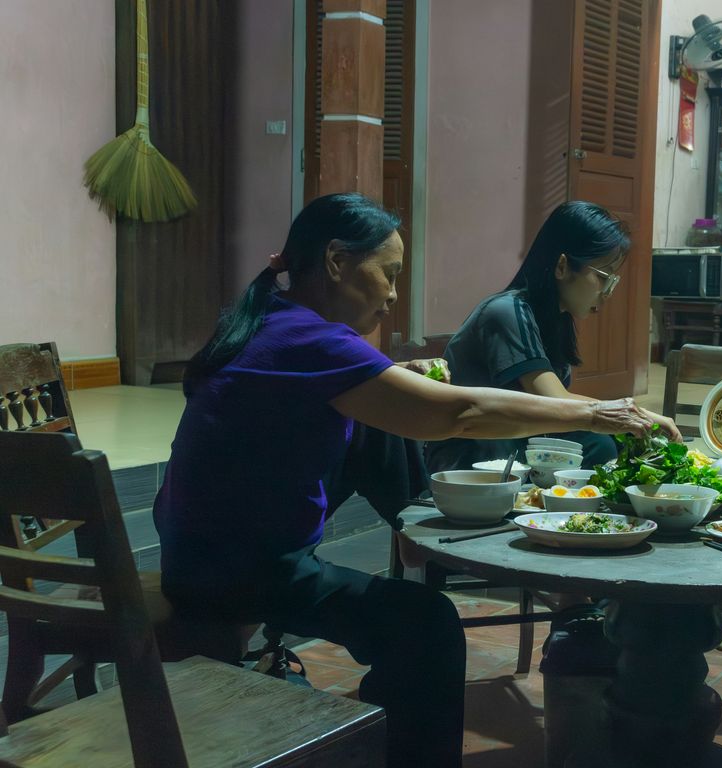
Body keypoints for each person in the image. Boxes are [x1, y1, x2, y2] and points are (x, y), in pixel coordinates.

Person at [153, 193, 655, 767]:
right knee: (428, 625)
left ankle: (424, 535)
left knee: (378, 428)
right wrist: (598, 413)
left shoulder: (272, 317)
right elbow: (457, 413)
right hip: (236, 570)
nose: (394, 295)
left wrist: (394, 379)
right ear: (338, 261)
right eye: (388, 274)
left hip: (201, 551)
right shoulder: (310, 340)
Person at [425, 201, 681, 474]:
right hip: (473, 453)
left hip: (513, 442)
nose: (607, 292)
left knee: (613, 444)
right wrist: (637, 415)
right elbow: (553, 400)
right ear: (562, 266)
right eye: (602, 277)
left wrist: (632, 419)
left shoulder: (553, 318)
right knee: (600, 444)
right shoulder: (506, 311)